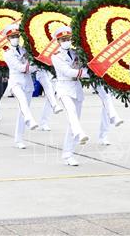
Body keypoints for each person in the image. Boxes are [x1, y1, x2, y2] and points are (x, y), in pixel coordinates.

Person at [51, 25, 90, 166]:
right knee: (71, 113)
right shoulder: (56, 56)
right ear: (58, 41)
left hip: (76, 88)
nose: (67, 41)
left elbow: (84, 66)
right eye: (63, 39)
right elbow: (68, 72)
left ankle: (68, 153)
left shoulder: (76, 53)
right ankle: (79, 133)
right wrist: (86, 73)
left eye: (68, 38)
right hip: (64, 88)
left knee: (73, 120)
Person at [3, 23, 40, 149]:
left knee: (22, 110)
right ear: (8, 38)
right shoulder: (7, 53)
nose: (15, 38)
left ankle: (19, 139)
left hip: (28, 83)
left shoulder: (25, 50)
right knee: (23, 102)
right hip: (16, 83)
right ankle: (30, 120)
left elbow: (32, 66)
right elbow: (20, 68)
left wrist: (37, 65)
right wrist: (34, 66)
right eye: (12, 36)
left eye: (17, 36)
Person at [36, 67, 63, 132]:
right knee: (48, 88)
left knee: (50, 98)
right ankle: (55, 105)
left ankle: (44, 123)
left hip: (53, 73)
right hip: (41, 70)